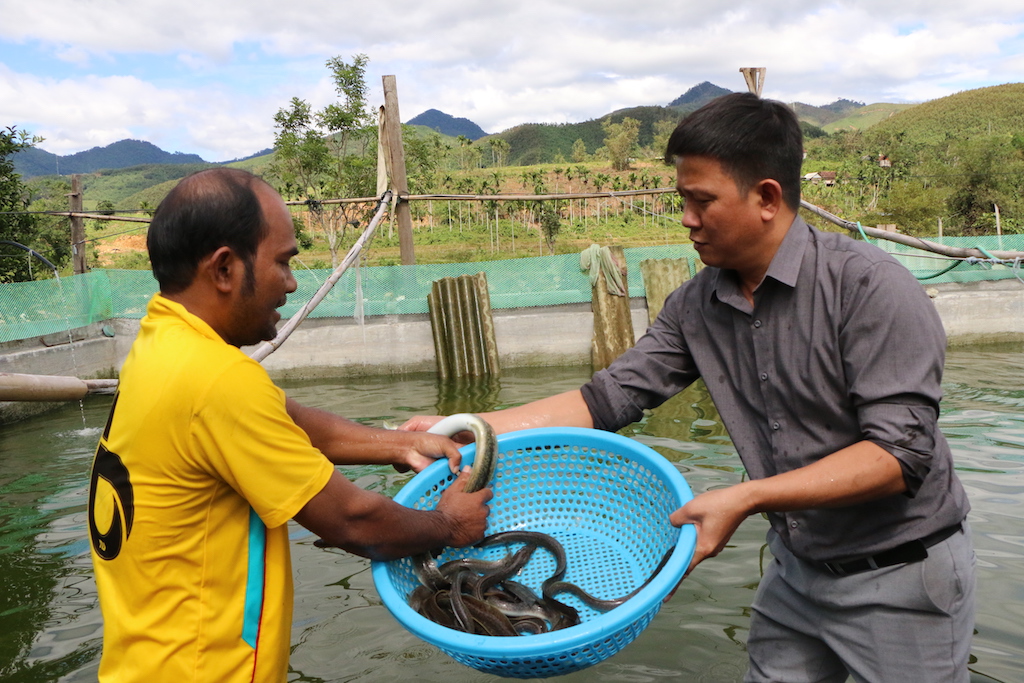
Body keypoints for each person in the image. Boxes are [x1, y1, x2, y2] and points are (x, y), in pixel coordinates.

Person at [404, 93, 974, 682]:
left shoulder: (870, 287)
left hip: (900, 576)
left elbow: (898, 455)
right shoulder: (697, 304)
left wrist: (747, 497)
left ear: (767, 198)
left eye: (702, 201)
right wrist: (469, 431)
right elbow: (606, 400)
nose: (686, 219)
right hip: (798, 570)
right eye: (683, 200)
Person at [87, 168, 491, 683]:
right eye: (282, 261)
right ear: (225, 269)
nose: (292, 282)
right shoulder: (217, 380)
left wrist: (402, 443)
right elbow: (352, 520)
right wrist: (449, 525)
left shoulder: (160, 347)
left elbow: (289, 419)